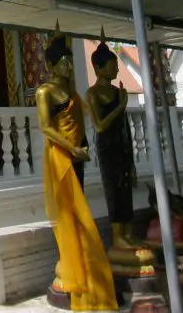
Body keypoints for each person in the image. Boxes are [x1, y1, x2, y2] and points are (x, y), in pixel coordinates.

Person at [37, 27, 118, 312]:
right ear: (51, 64)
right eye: (64, 61)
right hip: (61, 158)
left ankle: (83, 270)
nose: (70, 65)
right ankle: (71, 268)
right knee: (68, 214)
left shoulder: (71, 91)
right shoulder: (45, 91)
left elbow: (88, 120)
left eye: (71, 60)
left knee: (80, 215)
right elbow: (46, 128)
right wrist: (73, 149)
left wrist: (81, 147)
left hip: (77, 156)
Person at [85, 37, 138, 252]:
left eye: (116, 65)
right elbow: (99, 126)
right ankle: (118, 236)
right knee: (114, 189)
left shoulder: (119, 92)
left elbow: (124, 126)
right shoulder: (93, 93)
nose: (116, 69)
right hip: (107, 147)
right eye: (112, 65)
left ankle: (128, 233)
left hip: (122, 145)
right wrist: (120, 106)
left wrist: (132, 161)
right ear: (98, 68)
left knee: (126, 189)